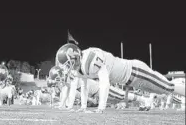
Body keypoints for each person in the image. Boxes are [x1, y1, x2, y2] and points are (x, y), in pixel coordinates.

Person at [55, 43, 184, 113]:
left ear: (75, 55)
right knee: (163, 91)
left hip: (136, 71)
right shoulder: (80, 69)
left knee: (168, 87)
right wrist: (83, 107)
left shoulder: (91, 58)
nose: (68, 67)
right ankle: (147, 102)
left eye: (68, 63)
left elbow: (104, 83)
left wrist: (101, 108)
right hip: (131, 81)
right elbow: (83, 87)